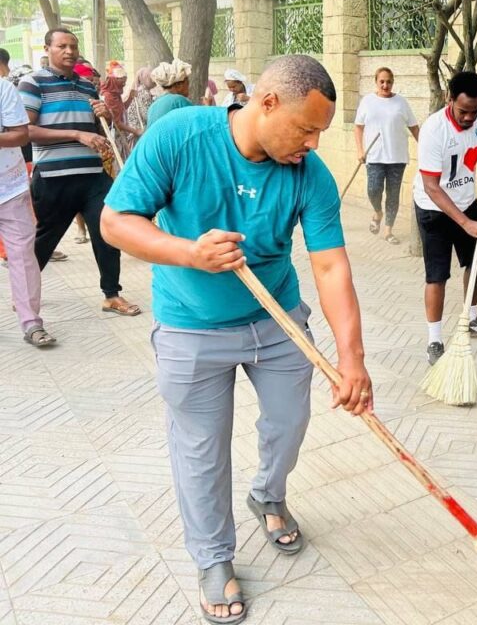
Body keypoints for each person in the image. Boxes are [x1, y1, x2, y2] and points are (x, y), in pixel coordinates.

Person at [101, 54, 372, 625]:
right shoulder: (181, 136)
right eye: (306, 129)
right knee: (201, 449)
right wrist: (189, 253)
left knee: (289, 423)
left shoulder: (309, 176)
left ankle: (268, 495)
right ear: (266, 103)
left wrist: (352, 360)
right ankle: (213, 558)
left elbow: (330, 269)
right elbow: (116, 221)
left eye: (320, 132)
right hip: (189, 325)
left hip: (277, 323)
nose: (313, 145)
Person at [17, 26, 140, 316]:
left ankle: (112, 295)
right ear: (47, 50)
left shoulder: (87, 86)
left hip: (92, 175)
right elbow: (26, 131)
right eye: (62, 46)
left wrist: (105, 118)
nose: (69, 51)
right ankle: (25, 295)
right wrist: (77, 135)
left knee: (108, 230)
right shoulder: (32, 83)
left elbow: (96, 132)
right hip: (54, 176)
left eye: (73, 46)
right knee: (46, 238)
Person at [413, 71, 477, 366]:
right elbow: (431, 185)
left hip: (466, 200)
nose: (469, 118)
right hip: (433, 207)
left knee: (476, 263)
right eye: (463, 111)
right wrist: (464, 223)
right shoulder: (433, 130)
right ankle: (434, 339)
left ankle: (471, 317)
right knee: (437, 275)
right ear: (449, 99)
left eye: (474, 111)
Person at [0, 76, 56, 347]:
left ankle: (31, 322)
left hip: (8, 187)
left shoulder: (3, 88)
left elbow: (21, 134)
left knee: (22, 256)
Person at [354, 67, 420, 245]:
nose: (385, 85)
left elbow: (414, 127)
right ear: (376, 82)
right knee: (373, 189)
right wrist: (360, 150)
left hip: (397, 157)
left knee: (393, 194)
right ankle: (377, 212)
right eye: (382, 81)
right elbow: (358, 127)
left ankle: (388, 230)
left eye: (388, 81)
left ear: (393, 82)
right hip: (374, 156)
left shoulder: (401, 103)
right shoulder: (368, 101)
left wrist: (424, 145)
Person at [100, 60, 143, 159]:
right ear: (113, 81)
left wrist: (130, 98)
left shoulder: (116, 94)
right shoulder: (108, 96)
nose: (124, 84)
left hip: (121, 137)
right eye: (122, 82)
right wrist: (135, 131)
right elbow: (116, 122)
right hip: (114, 139)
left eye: (125, 81)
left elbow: (122, 110)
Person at [147, 59, 194, 126]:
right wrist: (208, 107)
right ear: (179, 85)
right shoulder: (179, 101)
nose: (189, 87)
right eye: (187, 83)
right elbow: (197, 124)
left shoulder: (153, 106)